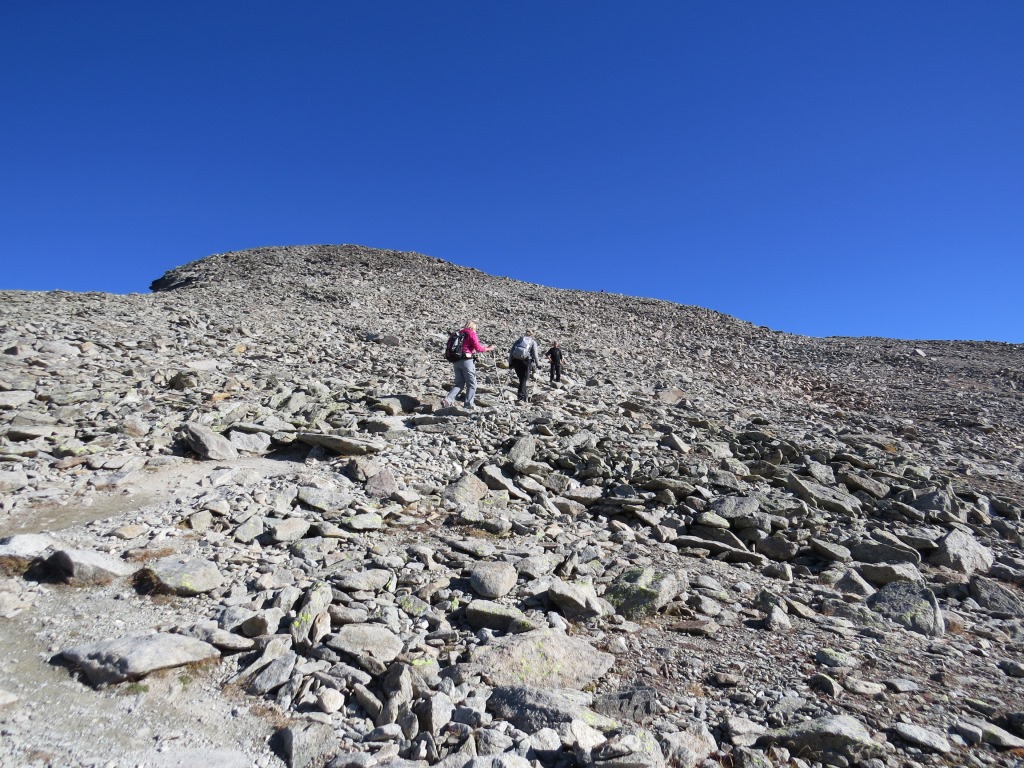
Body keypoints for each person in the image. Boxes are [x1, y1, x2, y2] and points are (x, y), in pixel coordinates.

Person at [442, 321, 494, 410]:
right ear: (473, 327)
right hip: (467, 361)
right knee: (471, 384)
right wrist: (489, 348)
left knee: (459, 383)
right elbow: (478, 348)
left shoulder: (458, 333)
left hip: (456, 361)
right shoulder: (471, 333)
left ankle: (447, 400)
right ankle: (468, 404)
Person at [508, 329, 541, 403]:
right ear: (532, 335)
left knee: (521, 378)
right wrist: (538, 364)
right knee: (524, 379)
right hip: (526, 361)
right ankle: (522, 396)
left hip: (516, 361)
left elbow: (512, 351)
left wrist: (510, 363)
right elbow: (535, 354)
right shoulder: (532, 342)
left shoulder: (519, 340)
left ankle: (523, 394)